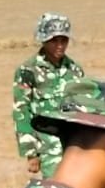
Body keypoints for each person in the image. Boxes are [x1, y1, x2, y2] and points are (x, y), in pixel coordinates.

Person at [13, 12, 86, 178]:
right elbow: (21, 111)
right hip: (47, 147)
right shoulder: (28, 71)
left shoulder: (75, 70)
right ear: (44, 40)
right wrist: (31, 152)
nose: (60, 45)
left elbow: (83, 107)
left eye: (64, 40)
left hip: (73, 145)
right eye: (54, 40)